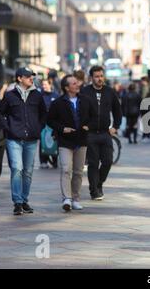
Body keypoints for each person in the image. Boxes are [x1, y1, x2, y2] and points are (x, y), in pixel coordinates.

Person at [0, 67, 47, 216]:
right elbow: (0, 113)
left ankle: (25, 200)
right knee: (17, 169)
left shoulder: (37, 95)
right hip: (14, 139)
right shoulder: (10, 96)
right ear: (19, 78)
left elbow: (44, 114)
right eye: (28, 76)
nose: (31, 78)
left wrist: (38, 128)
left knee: (28, 171)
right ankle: (17, 202)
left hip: (31, 139)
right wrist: (7, 129)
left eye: (32, 76)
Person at [48, 75, 91, 212]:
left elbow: (93, 116)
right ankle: (67, 198)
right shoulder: (58, 103)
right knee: (66, 169)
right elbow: (50, 120)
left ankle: (76, 198)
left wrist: (88, 126)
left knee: (78, 172)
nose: (77, 84)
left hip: (81, 140)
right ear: (67, 87)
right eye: (73, 83)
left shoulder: (85, 100)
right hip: (65, 141)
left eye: (77, 82)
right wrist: (62, 129)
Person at [81, 66, 122, 201]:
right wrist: (82, 126)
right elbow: (78, 110)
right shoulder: (85, 92)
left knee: (108, 161)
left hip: (105, 133)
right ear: (91, 78)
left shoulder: (109, 92)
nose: (99, 79)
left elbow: (117, 111)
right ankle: (94, 191)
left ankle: (99, 183)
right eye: (97, 76)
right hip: (90, 133)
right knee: (93, 163)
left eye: (101, 76)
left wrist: (115, 126)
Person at [39, 79, 59, 169]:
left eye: (45, 84)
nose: (44, 86)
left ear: (50, 85)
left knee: (54, 140)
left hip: (53, 123)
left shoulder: (56, 95)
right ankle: (43, 160)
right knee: (43, 141)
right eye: (42, 84)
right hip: (43, 122)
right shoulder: (40, 96)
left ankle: (54, 161)